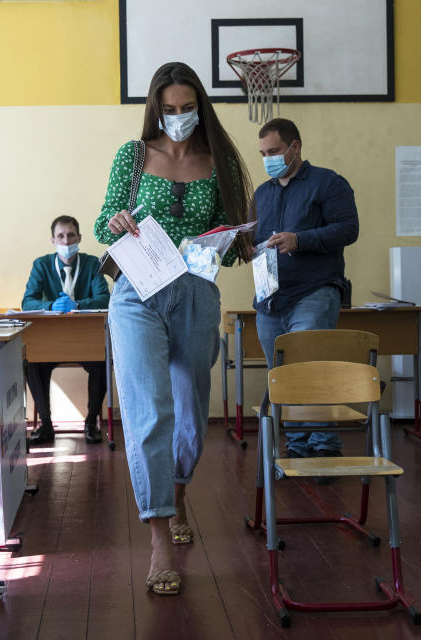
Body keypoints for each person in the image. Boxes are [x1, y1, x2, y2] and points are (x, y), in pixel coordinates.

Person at [93, 62, 252, 596]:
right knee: (148, 409)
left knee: (189, 410)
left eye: (188, 108)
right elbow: (103, 222)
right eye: (169, 109)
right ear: (155, 109)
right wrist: (114, 223)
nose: (178, 118)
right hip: (136, 290)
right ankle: (159, 532)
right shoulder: (132, 156)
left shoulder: (221, 159)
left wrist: (233, 242)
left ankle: (177, 488)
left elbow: (234, 252)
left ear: (200, 108)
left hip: (197, 291)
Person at [251, 117, 359, 471]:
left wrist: (302, 239)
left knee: (311, 370)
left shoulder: (328, 183)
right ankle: (297, 445)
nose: (268, 158)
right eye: (264, 153)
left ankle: (325, 447)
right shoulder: (263, 193)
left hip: (314, 291)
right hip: (270, 300)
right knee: (282, 375)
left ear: (294, 147)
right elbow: (254, 241)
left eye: (274, 151)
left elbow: (349, 229)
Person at [21, 215, 110, 445]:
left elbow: (105, 298)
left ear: (79, 237)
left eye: (71, 235)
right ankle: (46, 425)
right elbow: (27, 302)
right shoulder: (41, 265)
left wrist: (78, 305)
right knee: (33, 362)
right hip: (51, 340)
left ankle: (90, 422)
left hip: (85, 340)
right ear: (53, 240)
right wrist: (50, 305)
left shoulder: (92, 264)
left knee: (102, 360)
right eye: (60, 236)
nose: (66, 240)